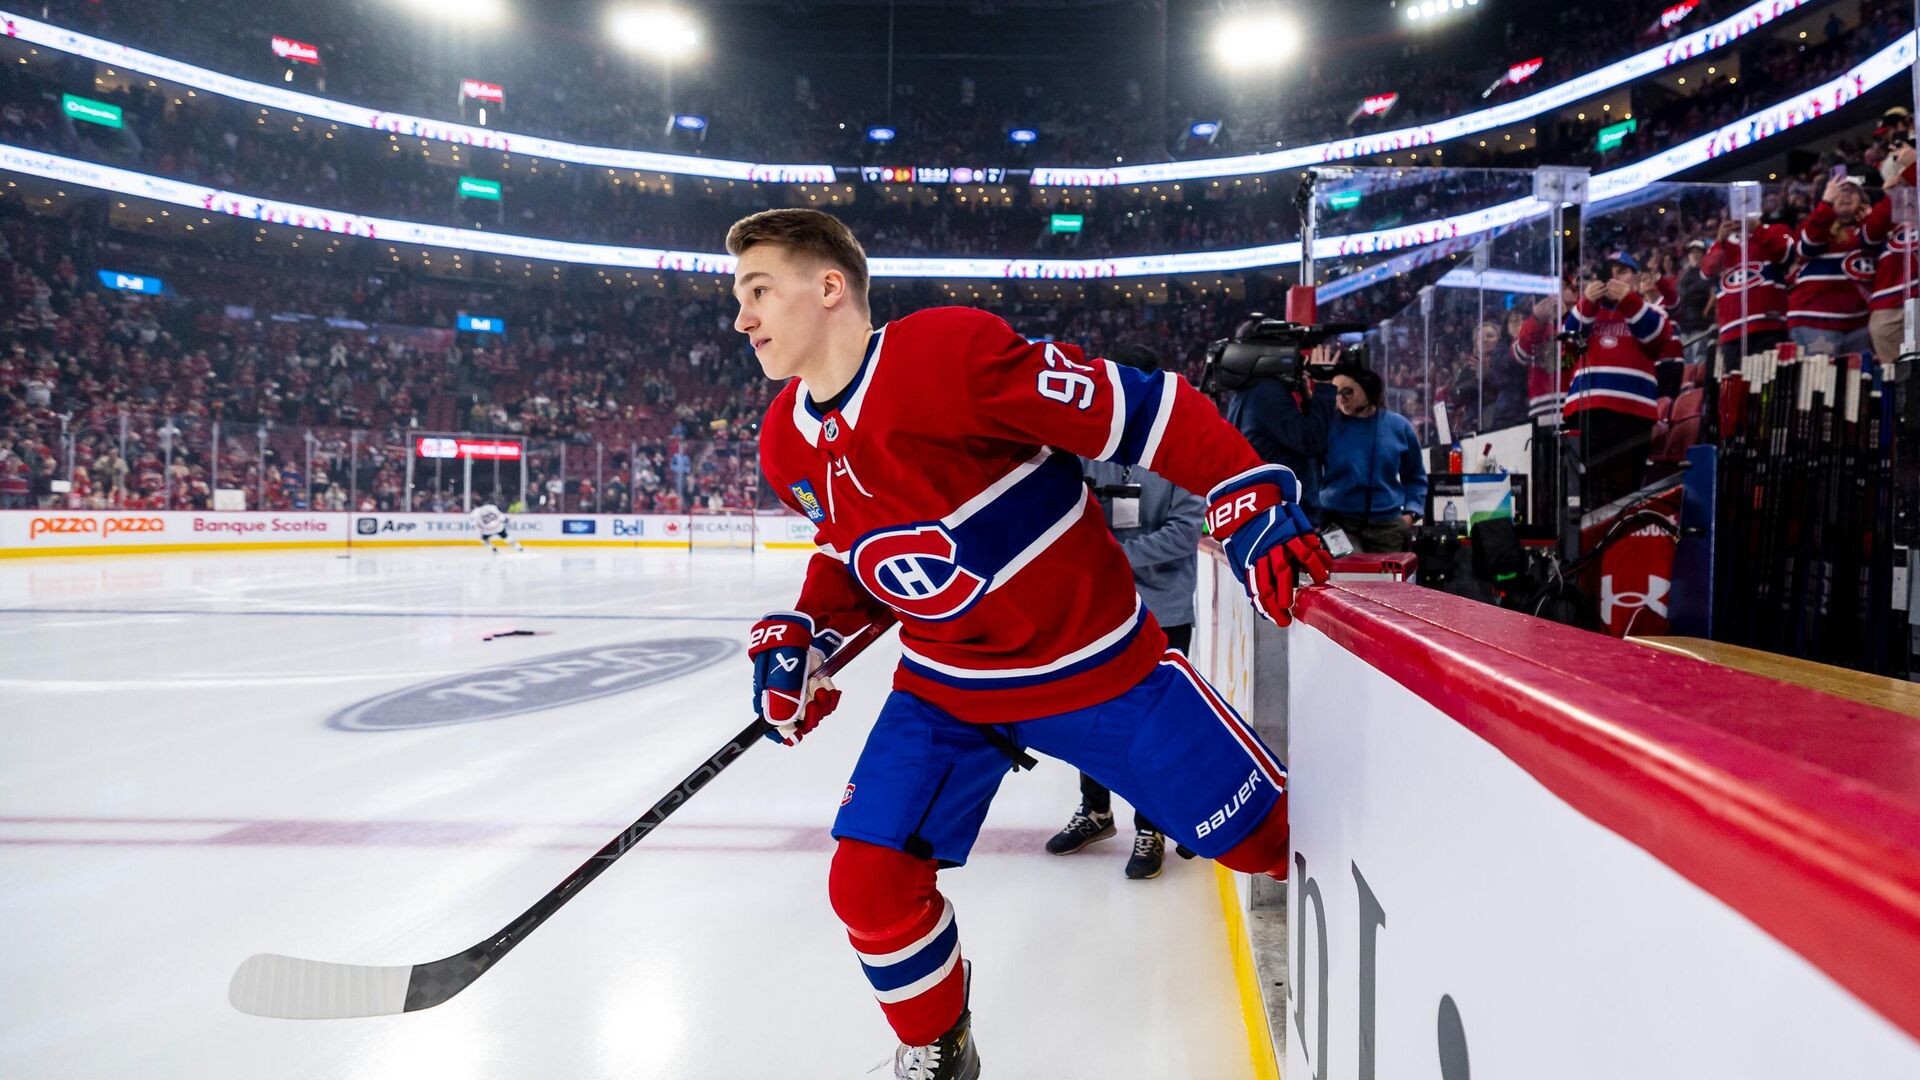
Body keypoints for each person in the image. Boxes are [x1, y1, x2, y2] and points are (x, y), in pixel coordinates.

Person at [730, 208, 1329, 1079]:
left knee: (1271, 838)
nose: (742, 318)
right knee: (868, 884)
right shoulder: (785, 442)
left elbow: (1143, 409)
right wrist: (809, 635)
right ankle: (941, 1048)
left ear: (829, 288)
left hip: (1096, 669)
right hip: (946, 687)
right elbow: (856, 556)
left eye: (757, 291)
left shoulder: (947, 356)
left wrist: (1243, 488)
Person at [1045, 341, 1207, 882]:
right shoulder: (1083, 447)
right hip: (1096, 609)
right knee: (1089, 714)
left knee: (1153, 721)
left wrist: (1113, 557)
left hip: (1161, 609)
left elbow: (1185, 532)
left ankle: (1151, 824)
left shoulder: (1178, 450)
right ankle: (1095, 810)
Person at [1564, 252, 1669, 509]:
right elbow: (1568, 342)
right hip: (1587, 408)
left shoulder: (1652, 310)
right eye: (1609, 273)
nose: (1614, 279)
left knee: (1624, 493)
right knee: (1583, 492)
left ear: (1636, 278)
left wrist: (1628, 300)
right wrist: (1587, 302)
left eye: (1622, 272)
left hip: (1633, 413)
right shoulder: (1588, 313)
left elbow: (1656, 336)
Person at [1319, 363, 1427, 553]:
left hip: (1387, 527)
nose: (1341, 399)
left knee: (1385, 574)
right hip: (1339, 524)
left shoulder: (1399, 427)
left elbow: (1415, 477)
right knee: (1349, 572)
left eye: (1347, 392)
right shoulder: (1328, 425)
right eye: (1336, 393)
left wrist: (1411, 514)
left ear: (1368, 389)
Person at [1225, 345, 1336, 520]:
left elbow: (1300, 438)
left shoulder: (1245, 393)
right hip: (1283, 516)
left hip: (1269, 512)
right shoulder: (1266, 393)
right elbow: (1311, 441)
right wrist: (1324, 386)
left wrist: (1307, 399)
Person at [1788, 174, 1875, 359]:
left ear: (1862, 199)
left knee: (1860, 377)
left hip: (1859, 324)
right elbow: (1807, 246)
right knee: (1820, 377)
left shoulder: (1869, 231)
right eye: (1840, 191)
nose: (1846, 195)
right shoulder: (1816, 227)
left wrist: (1871, 221)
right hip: (1815, 322)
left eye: (1852, 191)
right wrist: (1826, 205)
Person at [1702, 213, 1794, 372]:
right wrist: (1720, 241)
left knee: (1768, 382)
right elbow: (1707, 270)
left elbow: (1786, 253)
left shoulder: (1774, 230)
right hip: (1731, 331)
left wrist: (1757, 229)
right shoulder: (1721, 245)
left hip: (1768, 324)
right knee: (1736, 384)